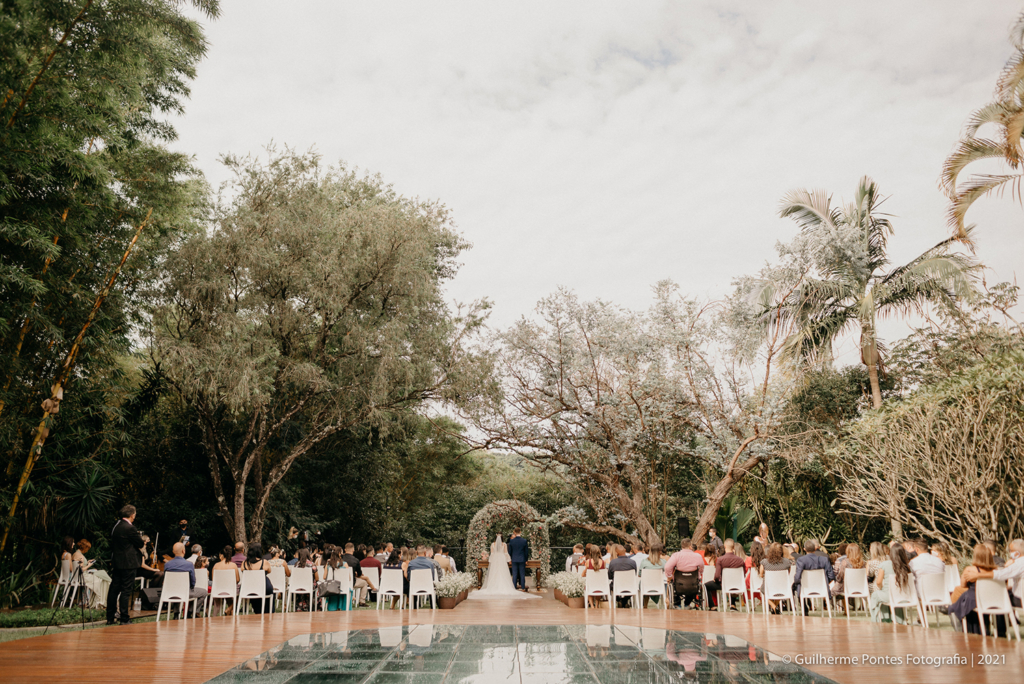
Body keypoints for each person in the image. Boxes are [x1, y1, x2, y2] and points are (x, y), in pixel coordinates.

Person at [106, 504, 146, 625]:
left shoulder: (116, 526)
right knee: (126, 590)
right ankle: (124, 618)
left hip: (117, 562)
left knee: (114, 589)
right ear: (131, 515)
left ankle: (110, 617)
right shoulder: (130, 528)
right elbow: (139, 543)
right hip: (129, 563)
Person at [468, 535, 540, 600]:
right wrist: (509, 560)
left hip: (495, 560)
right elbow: (506, 553)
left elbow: (492, 554)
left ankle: (493, 586)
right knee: (503, 573)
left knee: (495, 573)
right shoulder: (504, 544)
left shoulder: (493, 544)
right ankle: (512, 587)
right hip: (502, 560)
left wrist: (490, 561)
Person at [962, 538, 1024, 609]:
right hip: (1018, 596)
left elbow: (1000, 574)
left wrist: (978, 575)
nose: (1009, 553)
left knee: (997, 599)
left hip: (1020, 599)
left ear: (1017, 553)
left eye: (1010, 550)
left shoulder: (1019, 563)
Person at [870, 544, 912, 623]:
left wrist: (881, 588)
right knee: (894, 595)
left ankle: (880, 619)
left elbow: (878, 582)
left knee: (876, 595)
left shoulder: (884, 564)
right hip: (905, 596)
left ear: (891, 553)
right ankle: (899, 620)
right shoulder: (907, 566)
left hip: (889, 596)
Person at [163, 542, 202, 617]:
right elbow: (193, 581)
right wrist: (191, 587)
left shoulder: (167, 564)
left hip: (170, 592)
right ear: (183, 551)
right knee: (203, 592)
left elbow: (166, 579)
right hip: (185, 592)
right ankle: (190, 611)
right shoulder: (189, 564)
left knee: (176, 588)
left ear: (173, 552)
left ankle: (176, 614)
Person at [704, 539, 744, 610]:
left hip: (723, 584)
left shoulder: (721, 559)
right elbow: (744, 572)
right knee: (732, 581)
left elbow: (717, 575)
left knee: (706, 586)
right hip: (736, 584)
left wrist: (716, 580)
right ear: (733, 547)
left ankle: (712, 606)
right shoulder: (740, 560)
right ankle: (732, 605)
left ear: (725, 546)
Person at [759, 542, 793, 614]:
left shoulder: (764, 562)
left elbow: (761, 574)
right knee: (781, 590)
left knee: (763, 590)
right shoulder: (787, 562)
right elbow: (787, 574)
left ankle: (773, 607)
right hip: (782, 587)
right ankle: (774, 607)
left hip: (769, 586)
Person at [241, 543, 273, 614]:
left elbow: (242, 570)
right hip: (264, 588)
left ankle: (257, 610)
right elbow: (269, 571)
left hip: (249, 589)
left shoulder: (244, 563)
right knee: (269, 589)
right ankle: (268, 611)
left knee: (254, 591)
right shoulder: (264, 562)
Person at [639, 544, 666, 608]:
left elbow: (640, 574)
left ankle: (645, 605)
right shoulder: (663, 562)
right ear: (660, 552)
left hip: (645, 585)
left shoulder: (644, 562)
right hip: (659, 585)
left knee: (645, 582)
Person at [507, 527, 530, 592]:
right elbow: (526, 552)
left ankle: (514, 588)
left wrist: (510, 559)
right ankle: (523, 588)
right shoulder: (524, 541)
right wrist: (526, 560)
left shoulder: (512, 541)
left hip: (514, 559)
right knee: (522, 574)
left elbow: (510, 551)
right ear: (520, 532)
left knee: (514, 574)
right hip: (522, 559)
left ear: (514, 532)